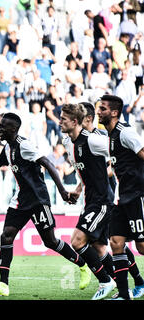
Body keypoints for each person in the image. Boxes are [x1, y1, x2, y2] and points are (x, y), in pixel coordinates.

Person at [0, 112, 91, 297]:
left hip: (38, 200)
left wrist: (62, 191)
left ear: (13, 129)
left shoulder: (25, 146)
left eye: (3, 126)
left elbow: (48, 163)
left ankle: (82, 265)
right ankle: (3, 285)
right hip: (21, 200)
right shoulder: (7, 148)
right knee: (6, 236)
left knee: (50, 241)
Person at [81, 101, 144, 299]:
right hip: (120, 199)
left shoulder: (125, 132)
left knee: (142, 246)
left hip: (136, 197)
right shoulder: (109, 136)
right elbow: (115, 165)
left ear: (114, 112)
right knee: (116, 242)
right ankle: (124, 294)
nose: (99, 112)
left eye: (103, 109)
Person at [59, 103, 116, 300]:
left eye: (63, 119)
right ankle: (124, 285)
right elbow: (84, 171)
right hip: (89, 200)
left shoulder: (93, 141)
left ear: (75, 122)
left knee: (77, 241)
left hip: (102, 200)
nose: (59, 122)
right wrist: (77, 190)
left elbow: (119, 148)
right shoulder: (68, 142)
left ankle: (105, 281)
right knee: (99, 248)